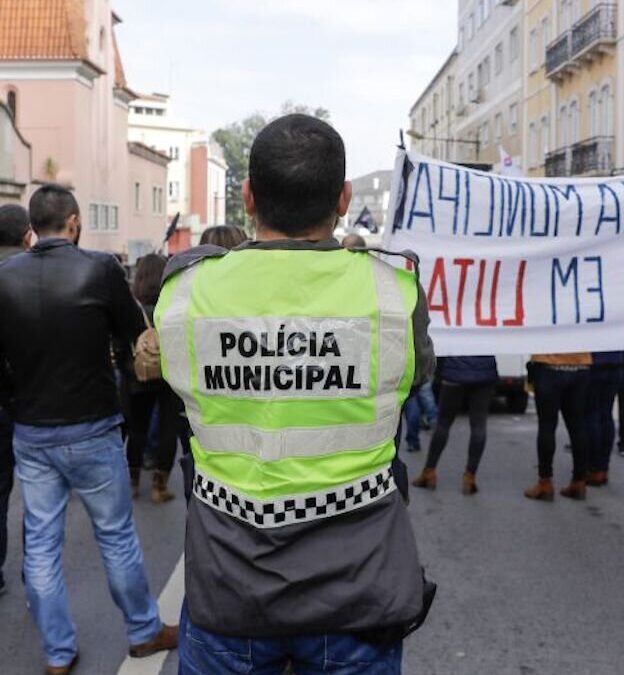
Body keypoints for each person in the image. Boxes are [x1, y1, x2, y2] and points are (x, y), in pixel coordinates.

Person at [159, 114, 435, 674]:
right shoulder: (393, 291)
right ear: (343, 199)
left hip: (228, 584)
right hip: (358, 590)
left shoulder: (184, 291)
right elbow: (418, 376)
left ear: (247, 196)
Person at [0, 186, 176, 674]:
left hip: (32, 429)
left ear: (32, 228)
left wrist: (16, 398)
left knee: (40, 545)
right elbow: (128, 337)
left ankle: (58, 653)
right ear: (74, 223)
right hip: (93, 425)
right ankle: (143, 631)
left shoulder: (3, 277)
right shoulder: (99, 269)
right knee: (116, 536)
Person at [121, 254, 181, 503]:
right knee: (168, 429)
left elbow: (119, 342)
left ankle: (133, 482)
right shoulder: (175, 304)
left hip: (137, 376)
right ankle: (159, 487)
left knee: (137, 429)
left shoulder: (131, 307)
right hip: (170, 376)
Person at [0, 203, 32, 599]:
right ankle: (33, 572)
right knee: (35, 494)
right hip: (22, 402)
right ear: (28, 235)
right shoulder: (25, 275)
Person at [411, 356, 498, 494]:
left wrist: (439, 371)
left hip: (455, 371)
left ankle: (429, 471)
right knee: (479, 425)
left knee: (443, 423)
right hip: (484, 372)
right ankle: (470, 476)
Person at [524, 353, 592, 501]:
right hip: (580, 365)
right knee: (578, 425)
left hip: (548, 365)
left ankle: (545, 482)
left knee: (547, 425)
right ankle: (579, 481)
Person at [585, 351, 624, 486]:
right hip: (616, 362)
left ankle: (593, 468)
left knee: (591, 414)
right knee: (606, 414)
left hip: (594, 362)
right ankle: (603, 468)